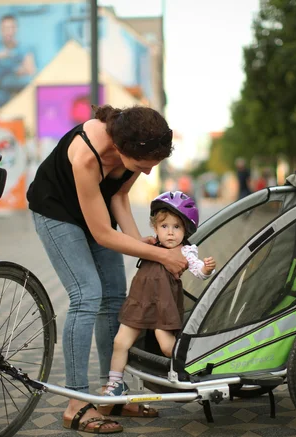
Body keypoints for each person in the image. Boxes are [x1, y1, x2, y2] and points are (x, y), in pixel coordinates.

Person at [27, 105, 189, 433]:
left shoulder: (135, 147)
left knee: (115, 297)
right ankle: (76, 403)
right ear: (119, 148)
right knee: (87, 294)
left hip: (95, 212)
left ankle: (111, 392)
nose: (146, 173)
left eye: (152, 167)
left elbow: (118, 198)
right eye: (143, 166)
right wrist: (158, 256)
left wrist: (145, 248)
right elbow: (102, 233)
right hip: (56, 212)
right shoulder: (88, 155)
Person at [102, 191, 216, 398]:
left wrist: (206, 269)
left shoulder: (186, 251)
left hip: (163, 305)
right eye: (164, 226)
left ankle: (192, 370)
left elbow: (198, 271)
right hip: (139, 301)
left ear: (186, 230)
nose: (170, 233)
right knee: (120, 342)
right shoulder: (150, 245)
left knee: (166, 346)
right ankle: (114, 383)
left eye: (176, 227)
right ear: (155, 228)